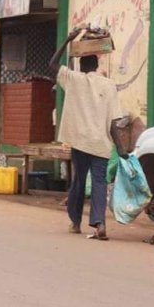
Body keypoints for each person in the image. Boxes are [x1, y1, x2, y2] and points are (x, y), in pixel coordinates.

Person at [49, 28, 125, 240]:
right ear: (97, 65)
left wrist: (67, 39)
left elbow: (52, 65)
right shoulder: (109, 86)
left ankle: (75, 222)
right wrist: (120, 148)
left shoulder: (74, 80)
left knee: (79, 182)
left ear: (82, 66)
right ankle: (99, 223)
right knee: (99, 183)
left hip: (80, 142)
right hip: (101, 144)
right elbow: (113, 122)